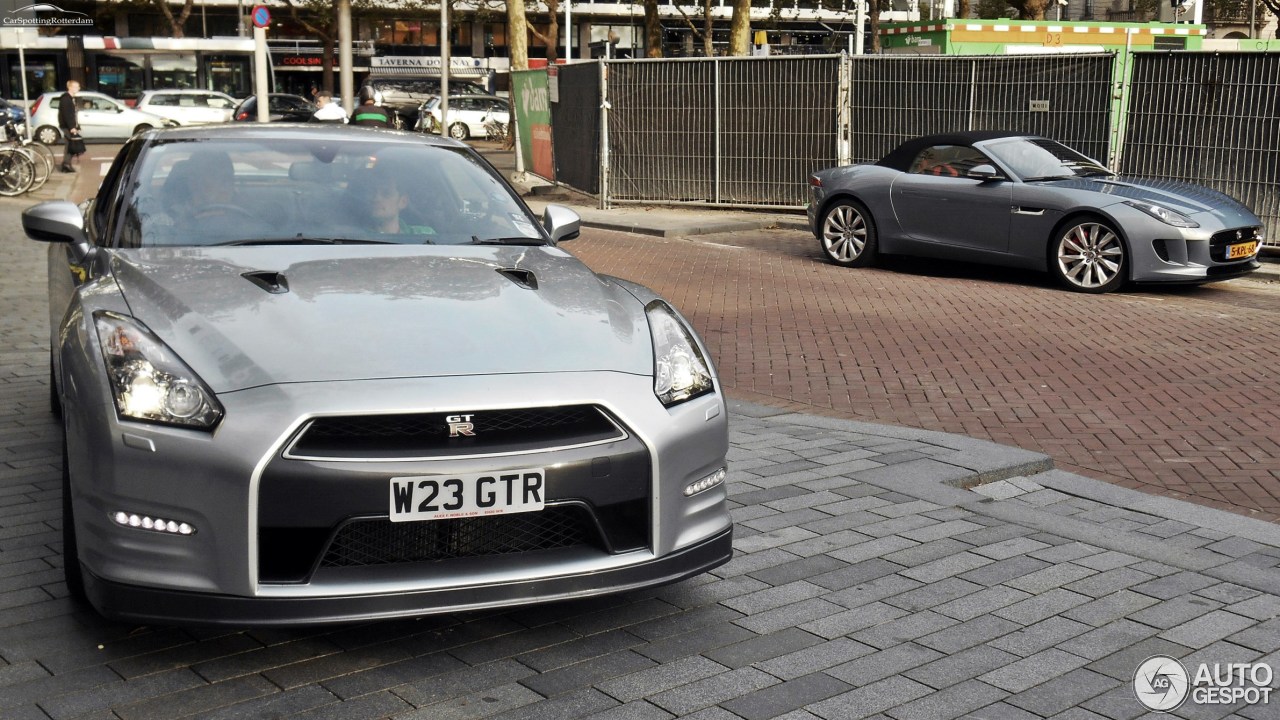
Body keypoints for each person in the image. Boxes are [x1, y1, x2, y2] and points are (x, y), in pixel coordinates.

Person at [57, 80, 83, 173]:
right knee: (71, 146)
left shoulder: (70, 98)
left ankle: (66, 164)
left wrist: (76, 126)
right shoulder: (66, 99)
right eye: (76, 87)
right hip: (67, 126)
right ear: (70, 87)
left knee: (69, 145)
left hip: (69, 126)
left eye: (78, 87)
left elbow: (73, 114)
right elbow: (67, 114)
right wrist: (72, 127)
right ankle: (66, 165)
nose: (78, 88)